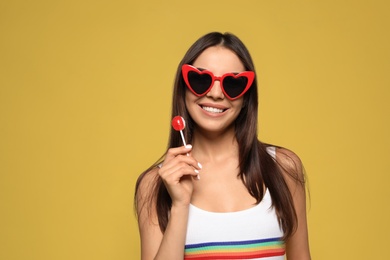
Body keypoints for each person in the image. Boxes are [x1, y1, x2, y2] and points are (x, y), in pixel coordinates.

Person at [135, 32, 311, 260]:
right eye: (201, 80)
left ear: (246, 96)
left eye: (233, 84)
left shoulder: (283, 168)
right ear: (183, 87)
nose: (216, 93)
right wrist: (180, 205)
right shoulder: (155, 185)